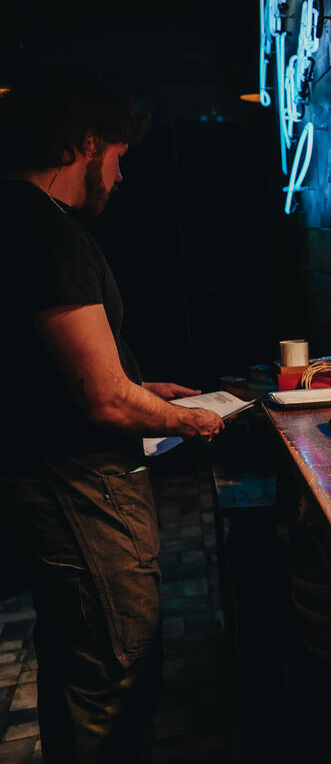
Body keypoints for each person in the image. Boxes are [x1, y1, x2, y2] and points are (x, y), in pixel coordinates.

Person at [0, 70, 225, 763]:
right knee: (114, 670)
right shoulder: (41, 228)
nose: (122, 176)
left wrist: (145, 387)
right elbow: (101, 399)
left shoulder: (18, 219)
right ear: (85, 144)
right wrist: (193, 421)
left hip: (53, 478)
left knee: (88, 658)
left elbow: (71, 373)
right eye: (120, 157)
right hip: (77, 485)